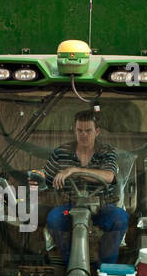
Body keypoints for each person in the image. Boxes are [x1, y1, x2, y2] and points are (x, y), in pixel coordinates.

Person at [32, 110, 129, 265]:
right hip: (70, 208)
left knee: (120, 218)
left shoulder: (105, 151)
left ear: (97, 131)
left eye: (88, 130)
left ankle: (104, 268)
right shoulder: (61, 152)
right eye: (79, 130)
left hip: (102, 207)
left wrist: (74, 170)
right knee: (54, 218)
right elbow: (47, 178)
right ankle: (71, 265)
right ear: (74, 130)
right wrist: (38, 180)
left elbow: (109, 176)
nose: (83, 135)